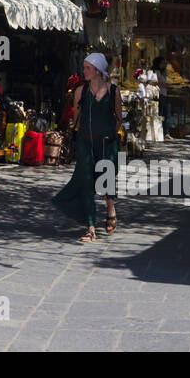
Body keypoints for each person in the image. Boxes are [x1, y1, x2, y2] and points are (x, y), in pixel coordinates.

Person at [52, 52, 122, 242]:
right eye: (84, 67)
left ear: (98, 70)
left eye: (87, 68)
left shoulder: (113, 91)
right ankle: (91, 227)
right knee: (85, 182)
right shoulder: (80, 92)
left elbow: (118, 118)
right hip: (85, 142)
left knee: (106, 179)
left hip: (106, 143)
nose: (84, 71)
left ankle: (110, 209)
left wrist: (110, 134)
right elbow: (76, 118)